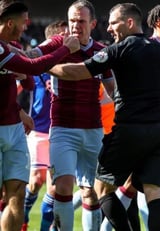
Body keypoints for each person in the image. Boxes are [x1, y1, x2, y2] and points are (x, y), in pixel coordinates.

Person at [49, 3, 160, 230]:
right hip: (159, 131)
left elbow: (76, 72)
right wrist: (154, 97)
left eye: (113, 23)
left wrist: (43, 64)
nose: (109, 29)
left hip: (130, 129)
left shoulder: (119, 49)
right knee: (154, 192)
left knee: (101, 189)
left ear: (129, 23)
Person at [27, 1, 115, 230]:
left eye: (81, 21)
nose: (75, 26)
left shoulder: (101, 52)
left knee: (91, 192)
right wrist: (62, 51)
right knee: (63, 187)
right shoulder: (57, 43)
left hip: (94, 129)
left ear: (93, 24)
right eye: (72, 20)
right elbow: (29, 59)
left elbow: (112, 90)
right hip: (63, 128)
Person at [0, 1, 79, 230]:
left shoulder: (7, 46)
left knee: (16, 193)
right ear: (10, 22)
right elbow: (32, 67)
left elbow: (27, 64)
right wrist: (65, 49)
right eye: (24, 21)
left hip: (14, 127)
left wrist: (56, 41)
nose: (26, 26)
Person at [21, 20, 68, 231]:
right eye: (62, 37)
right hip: (39, 130)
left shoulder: (74, 65)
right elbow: (19, 88)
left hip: (62, 130)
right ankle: (22, 214)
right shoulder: (36, 66)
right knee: (36, 180)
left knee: (55, 188)